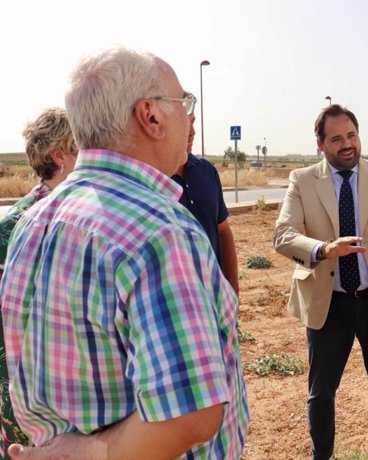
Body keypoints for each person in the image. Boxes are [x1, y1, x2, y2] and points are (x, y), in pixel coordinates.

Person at [0, 47, 248, 459]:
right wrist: (87, 453)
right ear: (149, 115)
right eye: (184, 103)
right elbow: (191, 414)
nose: (189, 118)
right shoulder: (160, 232)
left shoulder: (34, 221)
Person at [273, 104, 368, 460]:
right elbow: (283, 234)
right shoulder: (302, 180)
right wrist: (325, 249)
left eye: (352, 135)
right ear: (321, 144)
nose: (347, 145)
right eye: (337, 138)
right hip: (329, 302)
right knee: (321, 393)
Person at [0, 107, 77, 456]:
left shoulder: (79, 216)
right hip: (25, 399)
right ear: (59, 156)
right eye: (82, 147)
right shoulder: (17, 225)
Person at [172, 113, 239, 294]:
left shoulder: (207, 170)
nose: (192, 132)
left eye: (193, 122)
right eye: (184, 123)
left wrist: (233, 294)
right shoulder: (150, 179)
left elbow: (223, 231)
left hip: (215, 298)